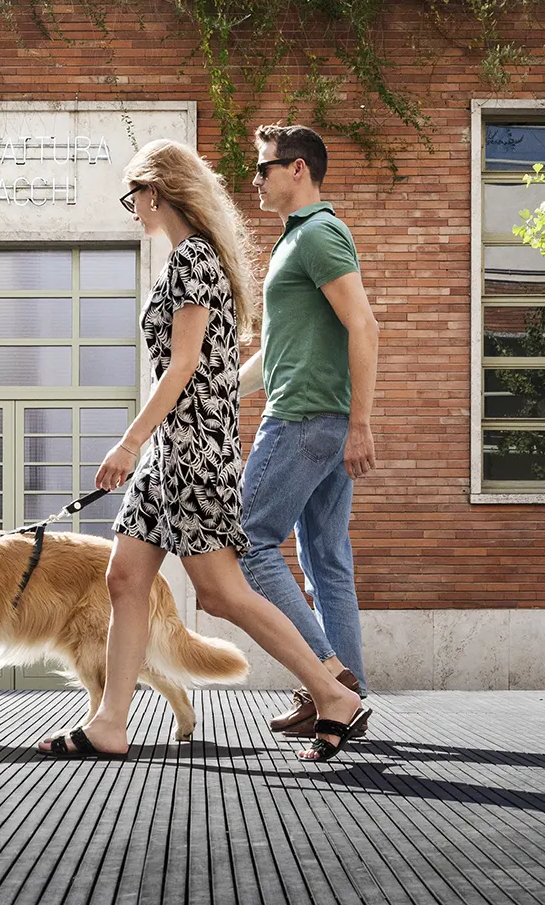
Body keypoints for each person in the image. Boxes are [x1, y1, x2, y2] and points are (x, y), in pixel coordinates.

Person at [37, 139, 368, 763]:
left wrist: (129, 443)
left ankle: (332, 691)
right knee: (125, 577)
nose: (131, 208)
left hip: (190, 450)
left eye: (132, 195)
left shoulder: (194, 260)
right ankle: (109, 722)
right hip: (173, 449)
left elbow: (185, 365)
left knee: (220, 591)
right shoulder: (190, 261)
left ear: (155, 192)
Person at [237, 123, 380, 739]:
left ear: (297, 169)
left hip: (303, 420)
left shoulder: (318, 235)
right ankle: (346, 704)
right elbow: (276, 357)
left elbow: (365, 326)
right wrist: (205, 386)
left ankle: (329, 678)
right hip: (319, 418)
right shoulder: (298, 242)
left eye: (264, 168)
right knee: (326, 561)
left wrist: (362, 424)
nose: (256, 180)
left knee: (247, 543)